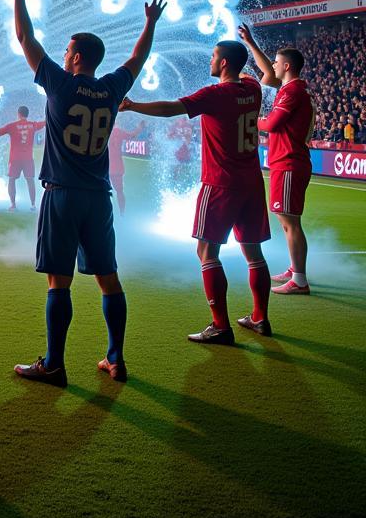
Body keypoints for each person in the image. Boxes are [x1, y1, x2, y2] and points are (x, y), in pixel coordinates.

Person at [10, 0, 165, 386]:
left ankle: (54, 364)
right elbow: (139, 57)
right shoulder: (113, 88)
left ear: (76, 58)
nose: (61, 55)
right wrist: (149, 23)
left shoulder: (60, 84)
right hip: (99, 197)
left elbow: (24, 37)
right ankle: (116, 358)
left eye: (65, 51)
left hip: (62, 194)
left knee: (59, 281)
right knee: (108, 279)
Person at [121, 39, 273, 344]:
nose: (211, 61)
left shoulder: (215, 94)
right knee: (253, 252)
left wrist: (133, 105)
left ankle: (220, 326)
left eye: (215, 56)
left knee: (206, 251)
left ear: (225, 63)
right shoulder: (252, 89)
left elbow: (171, 108)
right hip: (252, 183)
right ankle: (260, 318)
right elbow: (264, 74)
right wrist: (250, 46)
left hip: (220, 183)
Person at [237, 24, 315, 295]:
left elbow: (272, 123)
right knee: (287, 220)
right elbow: (267, 75)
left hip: (289, 161)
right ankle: (295, 270)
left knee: (290, 221)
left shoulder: (292, 92)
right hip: (287, 160)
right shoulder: (291, 88)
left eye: (277, 62)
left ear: (288, 66)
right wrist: (250, 43)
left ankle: (300, 280)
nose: (273, 65)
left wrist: (249, 120)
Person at [0, 106, 45, 210]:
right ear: (27, 114)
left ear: (18, 114)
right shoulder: (33, 125)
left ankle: (13, 205)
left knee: (11, 180)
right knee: (30, 180)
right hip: (28, 158)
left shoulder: (12, 126)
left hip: (15, 158)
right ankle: (33, 205)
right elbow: (46, 122)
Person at [107, 120, 144, 214]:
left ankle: (105, 212)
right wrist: (140, 127)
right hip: (116, 167)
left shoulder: (105, 131)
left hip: (104, 166)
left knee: (103, 191)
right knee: (119, 191)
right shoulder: (118, 131)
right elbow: (133, 135)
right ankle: (122, 213)